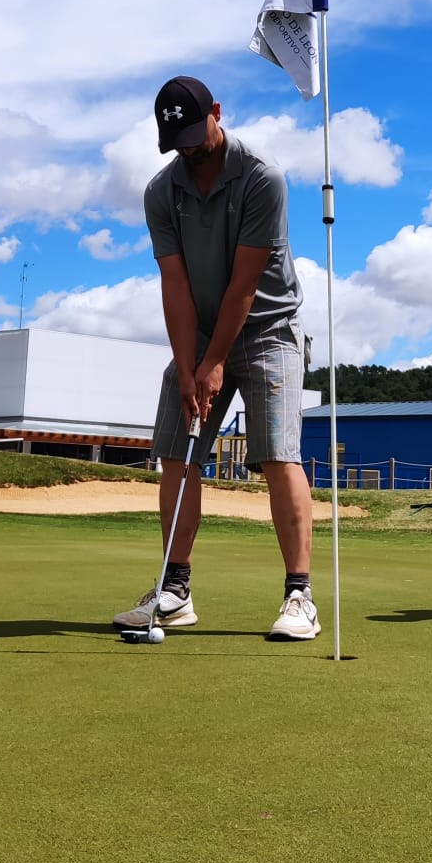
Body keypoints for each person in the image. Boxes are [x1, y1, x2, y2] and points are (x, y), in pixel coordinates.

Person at [112, 75, 320, 641]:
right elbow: (175, 286)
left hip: (269, 328)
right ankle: (175, 590)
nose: (187, 148)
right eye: (174, 137)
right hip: (200, 333)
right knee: (177, 453)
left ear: (218, 113)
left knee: (279, 453)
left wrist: (215, 362)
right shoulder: (162, 192)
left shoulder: (262, 178)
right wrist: (188, 367)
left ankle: (299, 596)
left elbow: (244, 286)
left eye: (193, 132)